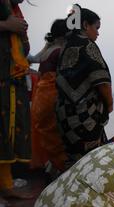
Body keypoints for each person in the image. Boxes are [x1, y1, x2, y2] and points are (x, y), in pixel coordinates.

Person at [55, 6, 113, 169]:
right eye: (97, 28)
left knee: (74, 160)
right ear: (86, 25)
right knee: (92, 162)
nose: (98, 33)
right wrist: (109, 104)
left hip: (64, 116)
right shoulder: (88, 46)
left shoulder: (65, 46)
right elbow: (102, 81)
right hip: (85, 116)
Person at [0, 0, 32, 206]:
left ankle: (6, 185)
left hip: (13, 80)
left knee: (9, 134)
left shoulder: (14, 10)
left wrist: (20, 33)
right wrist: (5, 26)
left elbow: (25, 50)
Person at [28, 19, 68, 175]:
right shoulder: (60, 52)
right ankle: (59, 169)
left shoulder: (47, 51)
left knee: (45, 136)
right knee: (56, 138)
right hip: (52, 98)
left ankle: (49, 166)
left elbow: (32, 60)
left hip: (40, 98)